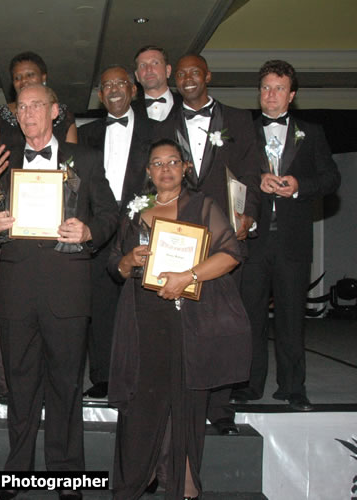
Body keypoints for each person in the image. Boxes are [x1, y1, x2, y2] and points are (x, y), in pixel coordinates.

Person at [0, 84, 118, 500]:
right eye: (22, 107)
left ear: (55, 111)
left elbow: (111, 213)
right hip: (18, 291)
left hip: (68, 292)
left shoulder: (87, 159)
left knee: (66, 386)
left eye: (37, 105)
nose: (29, 113)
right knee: (19, 386)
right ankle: (16, 470)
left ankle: (67, 473)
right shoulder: (0, 161)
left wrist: (90, 230)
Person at [108, 139, 251, 500]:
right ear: (148, 172)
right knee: (141, 406)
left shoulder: (203, 206)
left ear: (185, 167)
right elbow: (115, 264)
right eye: (157, 163)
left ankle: (182, 484)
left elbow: (231, 253)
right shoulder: (135, 211)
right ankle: (138, 480)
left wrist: (188, 276)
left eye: (173, 161)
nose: (166, 169)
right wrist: (128, 261)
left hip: (189, 322)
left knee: (184, 405)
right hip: (143, 322)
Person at [155, 54, 262, 436]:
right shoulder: (162, 122)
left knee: (221, 324)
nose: (186, 78)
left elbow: (251, 170)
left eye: (193, 72)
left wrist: (246, 213)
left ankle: (219, 408)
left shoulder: (237, 118)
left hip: (221, 233)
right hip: (175, 234)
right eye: (180, 73)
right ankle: (177, 399)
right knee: (177, 322)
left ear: (208, 76)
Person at [232, 60, 341, 411]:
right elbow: (227, 178)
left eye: (278, 88)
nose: (271, 95)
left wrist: (297, 186)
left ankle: (293, 386)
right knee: (250, 316)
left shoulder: (311, 132)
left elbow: (330, 179)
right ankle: (248, 385)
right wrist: (255, 181)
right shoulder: (244, 132)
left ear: (291, 95)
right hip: (253, 239)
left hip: (293, 240)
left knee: (292, 316)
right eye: (265, 88)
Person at [0, 51, 79, 398]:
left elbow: (74, 174)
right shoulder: (1, 116)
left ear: (45, 78)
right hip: (12, 229)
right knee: (3, 305)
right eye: (18, 78)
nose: (24, 82)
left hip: (54, 235)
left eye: (30, 75)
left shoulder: (64, 116)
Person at [77, 65, 154, 399]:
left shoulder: (156, 130)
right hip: (99, 224)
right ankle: (103, 376)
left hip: (145, 224)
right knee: (101, 303)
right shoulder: (86, 134)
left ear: (133, 90)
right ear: (99, 95)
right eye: (106, 85)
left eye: (120, 83)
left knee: (146, 301)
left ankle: (146, 373)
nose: (113, 89)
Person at [133, 45, 181, 122]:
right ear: (137, 76)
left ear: (168, 70)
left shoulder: (186, 104)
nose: (148, 69)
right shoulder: (128, 110)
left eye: (155, 63)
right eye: (142, 65)